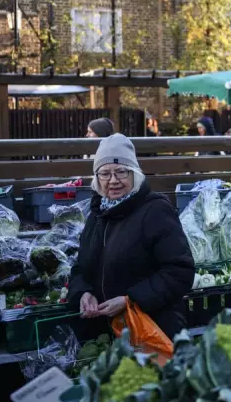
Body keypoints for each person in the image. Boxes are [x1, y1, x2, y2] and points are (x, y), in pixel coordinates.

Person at [68, 134, 194, 340]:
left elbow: (180, 271)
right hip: (104, 331)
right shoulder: (97, 214)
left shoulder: (155, 210)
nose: (113, 180)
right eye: (105, 174)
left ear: (135, 174)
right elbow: (80, 269)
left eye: (121, 172)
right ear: (96, 178)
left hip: (151, 330)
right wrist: (83, 292)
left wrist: (131, 300)